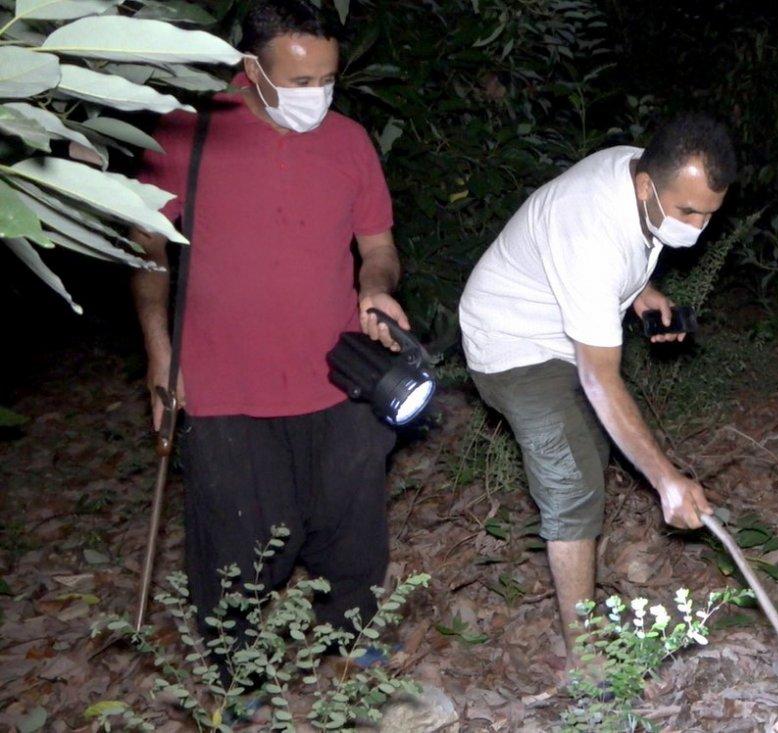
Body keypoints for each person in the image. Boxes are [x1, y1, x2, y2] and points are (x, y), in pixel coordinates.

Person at [131, 0, 405, 638]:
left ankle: (352, 643)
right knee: (237, 544)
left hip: (340, 374)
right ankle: (236, 673)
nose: (317, 96)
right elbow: (146, 252)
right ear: (251, 68)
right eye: (300, 81)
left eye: (328, 80)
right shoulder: (189, 133)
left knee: (353, 528)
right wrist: (159, 353)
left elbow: (379, 247)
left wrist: (375, 288)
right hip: (224, 384)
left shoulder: (349, 140)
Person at [458, 113, 737, 661]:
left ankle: (583, 588)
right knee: (573, 479)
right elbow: (599, 376)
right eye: (688, 212)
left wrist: (640, 292)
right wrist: (666, 480)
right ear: (646, 185)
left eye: (710, 214)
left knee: (590, 448)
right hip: (514, 342)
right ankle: (586, 661)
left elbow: (619, 255)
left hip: (563, 327)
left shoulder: (640, 171)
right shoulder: (589, 226)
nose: (699, 227)